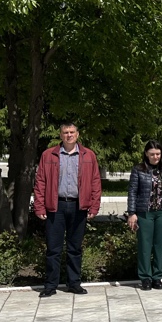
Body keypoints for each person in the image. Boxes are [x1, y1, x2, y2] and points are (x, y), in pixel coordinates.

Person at [33, 122, 102, 297]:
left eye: (72, 132)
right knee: (53, 248)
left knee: (75, 248)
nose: (69, 135)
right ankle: (50, 286)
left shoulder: (88, 155)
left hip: (79, 206)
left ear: (77, 134)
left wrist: (94, 205)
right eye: (65, 132)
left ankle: (74, 283)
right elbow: (40, 182)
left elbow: (95, 182)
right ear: (60, 135)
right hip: (56, 206)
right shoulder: (49, 155)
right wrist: (39, 206)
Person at [126, 141, 162, 290]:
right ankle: (145, 277)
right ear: (146, 154)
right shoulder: (138, 169)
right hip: (145, 213)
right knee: (145, 245)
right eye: (152, 154)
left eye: (158, 154)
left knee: (160, 246)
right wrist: (132, 213)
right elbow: (132, 192)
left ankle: (157, 277)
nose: (155, 157)